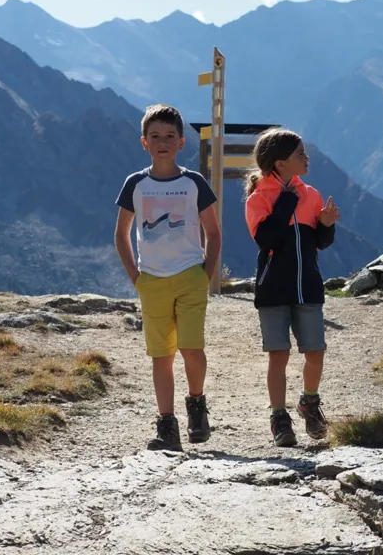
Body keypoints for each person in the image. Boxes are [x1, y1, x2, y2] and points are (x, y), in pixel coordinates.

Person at [114, 104, 221, 451]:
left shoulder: (194, 183)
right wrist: (136, 277)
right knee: (161, 356)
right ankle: (167, 427)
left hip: (190, 276)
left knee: (192, 349)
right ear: (144, 142)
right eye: (155, 136)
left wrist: (205, 275)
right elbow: (121, 234)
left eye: (170, 136)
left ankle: (196, 406)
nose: (162, 142)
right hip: (152, 280)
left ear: (181, 142)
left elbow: (213, 232)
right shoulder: (135, 183)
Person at [244, 129, 341, 447]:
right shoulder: (259, 199)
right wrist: (287, 201)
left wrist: (326, 225)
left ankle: (309, 402)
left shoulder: (311, 194)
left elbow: (319, 243)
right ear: (280, 163)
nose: (307, 157)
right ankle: (279, 417)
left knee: (315, 351)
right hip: (273, 291)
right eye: (300, 153)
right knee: (279, 354)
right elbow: (265, 240)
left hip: (308, 287)